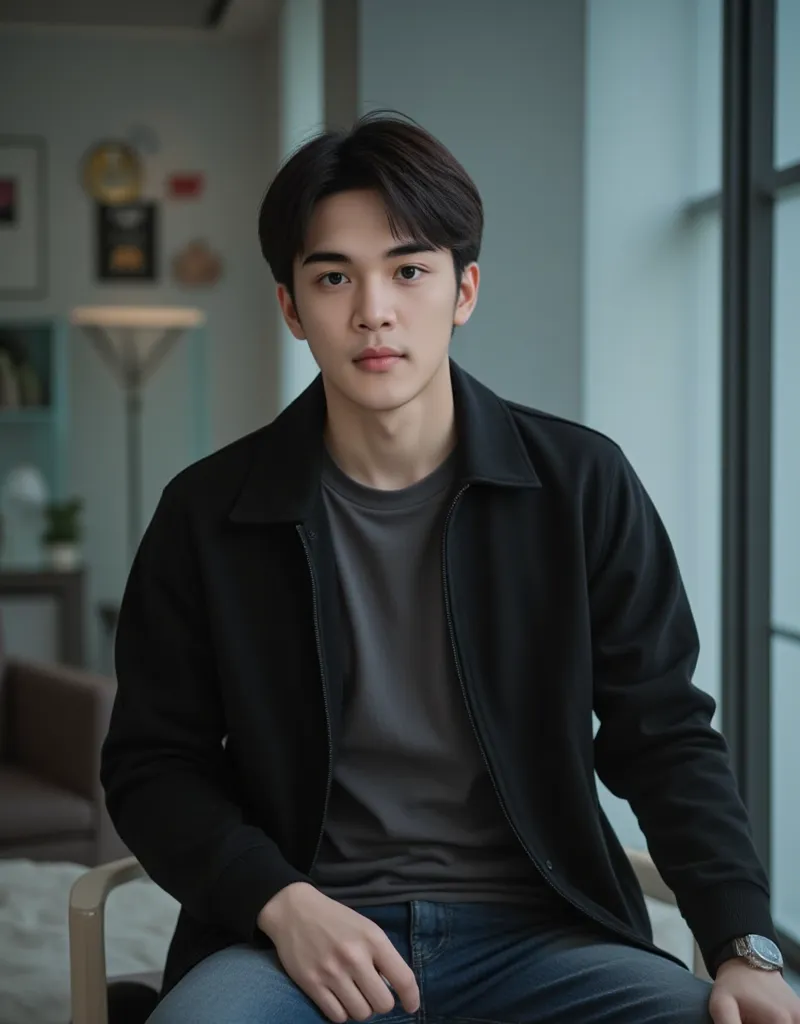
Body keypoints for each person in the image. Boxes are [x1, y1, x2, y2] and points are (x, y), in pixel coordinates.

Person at [101, 112, 800, 1024]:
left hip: (544, 932)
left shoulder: (580, 484)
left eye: (409, 270)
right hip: (303, 942)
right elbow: (153, 764)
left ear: (464, 290)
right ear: (290, 307)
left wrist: (742, 941)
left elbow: (662, 733)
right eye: (333, 277)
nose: (373, 311)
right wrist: (280, 901)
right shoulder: (208, 512)